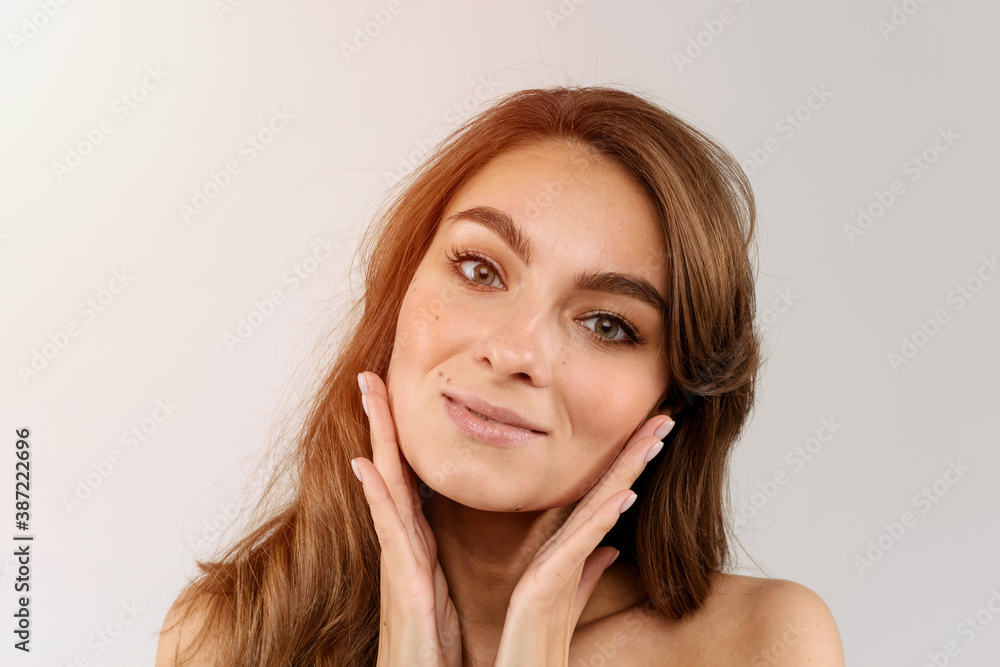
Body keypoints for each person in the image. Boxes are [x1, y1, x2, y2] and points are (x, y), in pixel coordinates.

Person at [156, 85, 845, 665]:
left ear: (673, 394)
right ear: (400, 290)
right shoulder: (230, 636)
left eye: (607, 323)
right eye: (480, 270)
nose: (515, 350)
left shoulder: (761, 643)